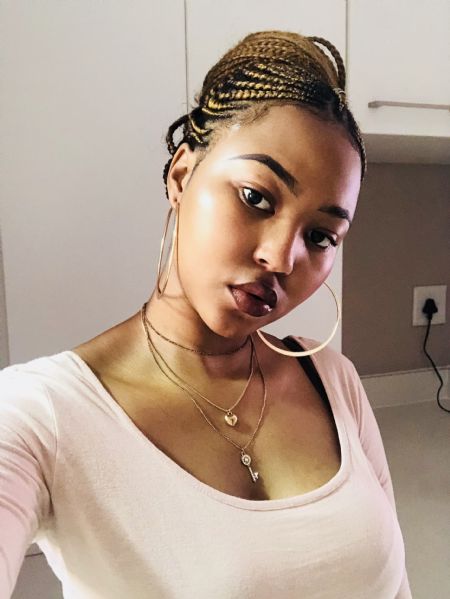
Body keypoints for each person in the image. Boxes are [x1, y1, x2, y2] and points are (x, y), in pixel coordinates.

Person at [0, 30, 411, 598]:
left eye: (320, 236)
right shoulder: (39, 413)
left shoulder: (334, 382)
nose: (281, 258)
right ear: (181, 175)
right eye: (256, 198)